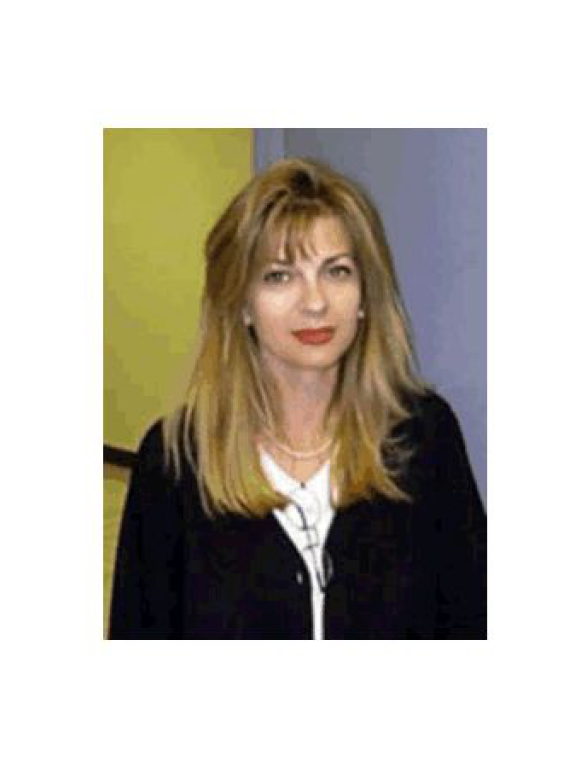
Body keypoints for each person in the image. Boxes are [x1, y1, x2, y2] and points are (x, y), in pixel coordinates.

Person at [108, 157, 486, 639]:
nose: (315, 302)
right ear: (240, 303)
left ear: (365, 295)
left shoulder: (425, 437)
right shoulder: (174, 462)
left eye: (337, 271)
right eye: (280, 276)